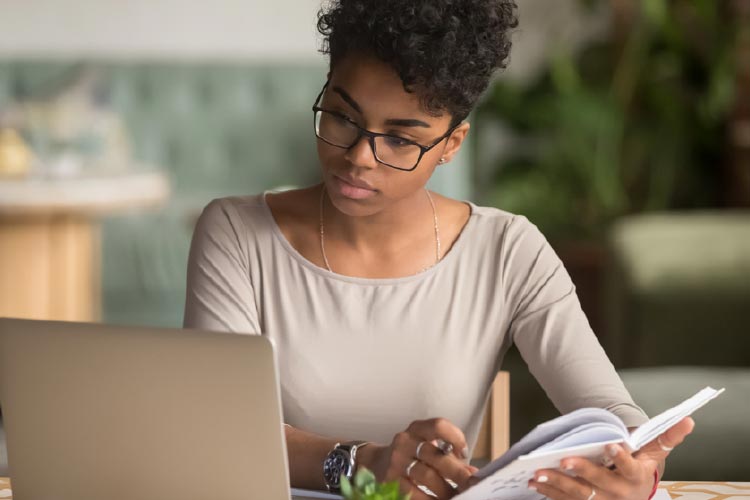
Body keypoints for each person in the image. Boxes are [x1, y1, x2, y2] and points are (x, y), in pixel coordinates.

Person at [183, 1, 694, 499]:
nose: (360, 157)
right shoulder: (237, 233)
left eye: (402, 140)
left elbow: (609, 410)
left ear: (452, 143)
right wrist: (363, 465)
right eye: (342, 118)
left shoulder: (507, 250)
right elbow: (213, 427)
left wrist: (637, 472)